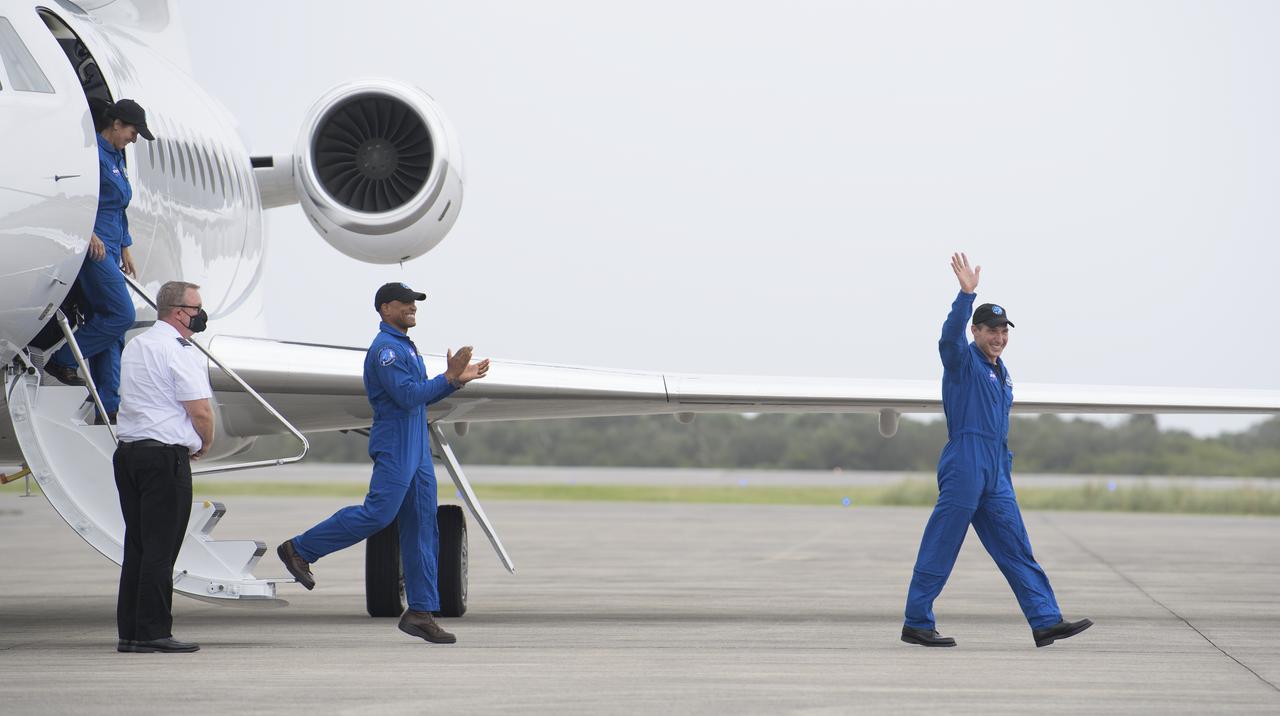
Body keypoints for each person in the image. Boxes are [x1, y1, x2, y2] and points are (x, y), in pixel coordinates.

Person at [277, 282, 489, 644]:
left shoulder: (405, 346)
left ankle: (421, 611)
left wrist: (454, 381)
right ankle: (300, 548)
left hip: (416, 442)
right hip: (396, 440)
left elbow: (418, 397)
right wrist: (450, 379)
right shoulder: (386, 351)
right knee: (378, 514)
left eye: (415, 302)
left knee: (424, 524)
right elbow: (407, 396)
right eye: (405, 302)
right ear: (384, 308)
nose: (412, 307)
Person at [901, 253, 1092, 648]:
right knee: (943, 542)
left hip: (995, 468)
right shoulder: (962, 362)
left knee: (1016, 544)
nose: (998, 337)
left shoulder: (1001, 372)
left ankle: (1045, 620)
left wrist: (1001, 467)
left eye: (1004, 330)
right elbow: (947, 338)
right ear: (975, 331)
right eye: (990, 330)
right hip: (965, 463)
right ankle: (917, 621)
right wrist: (964, 296)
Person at [113, 280, 213, 654]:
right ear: (178, 312)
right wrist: (205, 441)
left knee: (137, 546)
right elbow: (199, 409)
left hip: (129, 455)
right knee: (161, 548)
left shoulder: (136, 344)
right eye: (197, 307)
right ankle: (154, 631)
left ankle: (132, 632)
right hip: (163, 458)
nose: (201, 314)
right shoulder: (179, 351)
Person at [44, 99, 155, 426]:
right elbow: (71, 194)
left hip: (110, 245)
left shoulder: (118, 156)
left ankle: (108, 405)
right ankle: (62, 360)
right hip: (92, 249)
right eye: (133, 132)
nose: (134, 139)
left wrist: (126, 246)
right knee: (122, 314)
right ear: (117, 124)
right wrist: (85, 228)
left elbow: (118, 207)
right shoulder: (90, 154)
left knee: (110, 326)